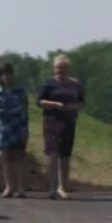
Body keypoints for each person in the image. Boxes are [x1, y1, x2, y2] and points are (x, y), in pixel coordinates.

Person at [37, 54, 85, 199]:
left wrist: (71, 107)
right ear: (54, 68)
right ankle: (52, 187)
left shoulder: (75, 84)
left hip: (68, 122)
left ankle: (63, 187)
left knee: (65, 156)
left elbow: (82, 103)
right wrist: (55, 104)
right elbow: (39, 101)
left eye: (63, 68)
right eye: (58, 67)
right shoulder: (49, 83)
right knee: (52, 155)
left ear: (68, 69)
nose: (60, 70)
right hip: (51, 121)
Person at [0, 63, 28, 198]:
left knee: (18, 157)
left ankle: (20, 187)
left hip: (17, 127)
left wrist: (25, 129)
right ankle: (9, 186)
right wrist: (11, 112)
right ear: (0, 77)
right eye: (4, 74)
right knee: (6, 158)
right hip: (3, 128)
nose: (7, 77)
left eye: (9, 73)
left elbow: (24, 112)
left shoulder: (20, 91)